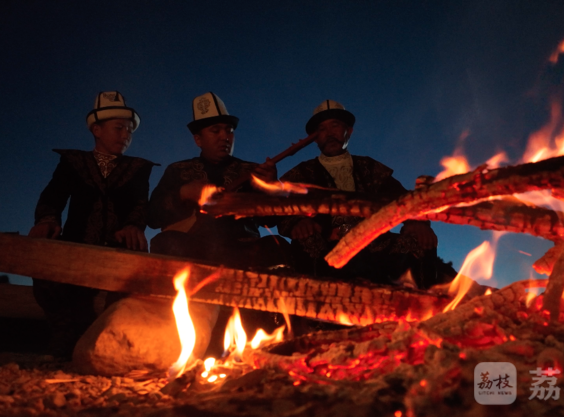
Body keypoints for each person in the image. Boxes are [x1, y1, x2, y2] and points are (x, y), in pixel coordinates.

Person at [148, 92, 290, 356]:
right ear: (198, 139)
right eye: (215, 130)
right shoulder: (178, 171)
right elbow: (153, 217)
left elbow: (273, 219)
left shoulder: (251, 171)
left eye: (229, 130)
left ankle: (272, 336)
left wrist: (270, 187)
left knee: (277, 246)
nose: (225, 136)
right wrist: (183, 193)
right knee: (165, 244)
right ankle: (175, 336)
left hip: (243, 250)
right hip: (193, 253)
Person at [29, 91, 158, 357]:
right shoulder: (73, 162)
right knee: (44, 261)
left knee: (135, 278)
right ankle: (65, 335)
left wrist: (134, 225)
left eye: (130, 130)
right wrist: (48, 219)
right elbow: (53, 195)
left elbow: (140, 204)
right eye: (119, 128)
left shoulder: (138, 168)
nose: (125, 135)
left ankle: (112, 340)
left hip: (121, 246)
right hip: (77, 243)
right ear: (97, 130)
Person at [279, 100, 456, 290]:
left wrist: (417, 223)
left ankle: (420, 312)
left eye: (335, 125)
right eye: (322, 129)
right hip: (328, 244)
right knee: (306, 244)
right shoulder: (302, 174)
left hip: (375, 243)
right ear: (315, 138)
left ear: (349, 131)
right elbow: (279, 208)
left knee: (421, 240)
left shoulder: (371, 168)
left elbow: (403, 200)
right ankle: (315, 317)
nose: (329, 133)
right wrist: (298, 222)